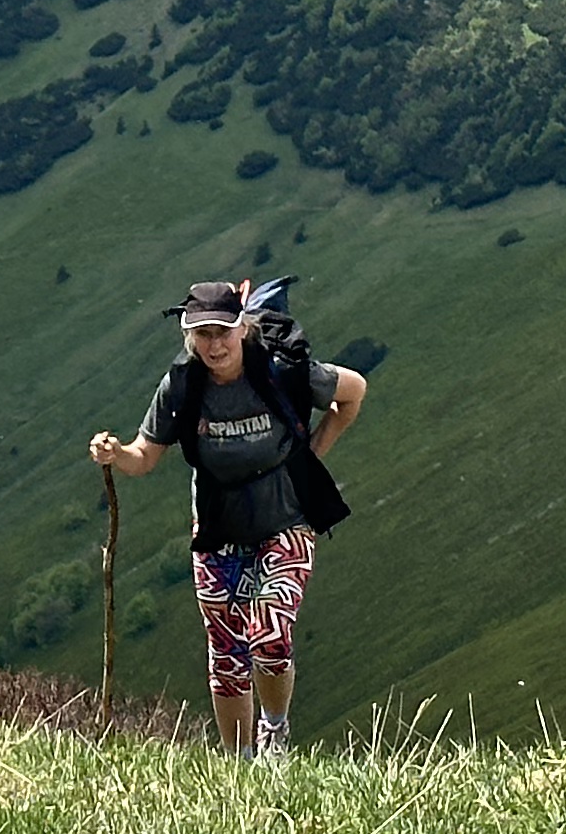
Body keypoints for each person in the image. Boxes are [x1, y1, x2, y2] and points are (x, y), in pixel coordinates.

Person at [88, 279, 366, 765]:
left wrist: (311, 455)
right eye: (202, 334)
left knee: (272, 634)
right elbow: (145, 455)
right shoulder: (181, 385)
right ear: (189, 336)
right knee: (227, 651)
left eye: (223, 331)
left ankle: (274, 735)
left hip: (286, 521)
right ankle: (239, 766)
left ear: (242, 328)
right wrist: (114, 454)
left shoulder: (281, 369)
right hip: (218, 531)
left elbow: (353, 391)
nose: (214, 344)